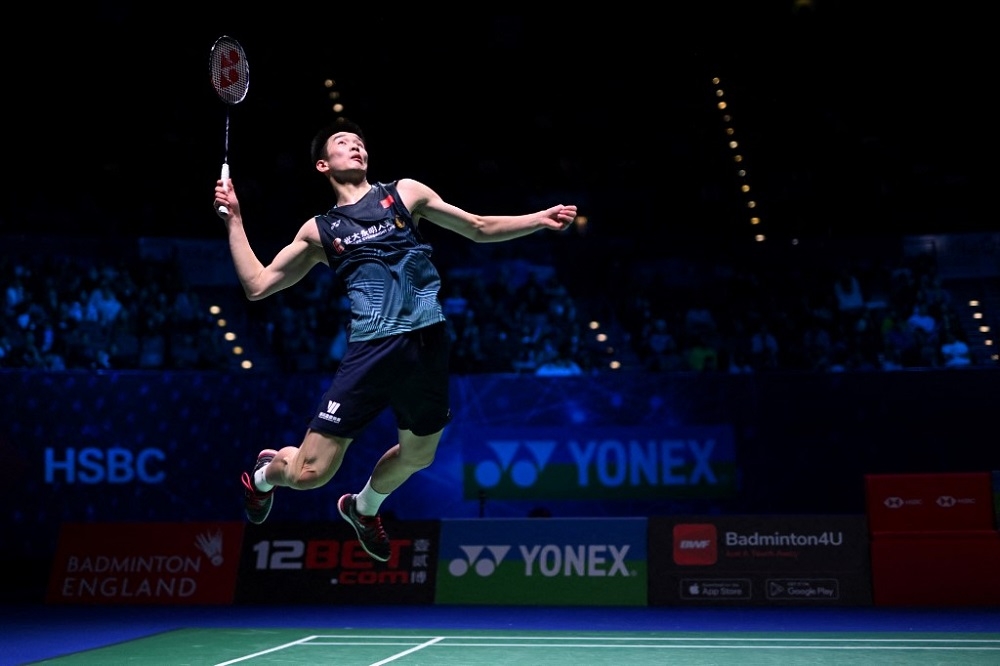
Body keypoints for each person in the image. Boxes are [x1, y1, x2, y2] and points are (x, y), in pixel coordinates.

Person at [213, 119, 577, 561]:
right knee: (310, 474)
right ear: (324, 165)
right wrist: (235, 219)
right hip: (372, 352)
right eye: (344, 143)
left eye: (360, 143)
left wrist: (538, 219)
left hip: (428, 346)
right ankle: (265, 476)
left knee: (419, 455)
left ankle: (363, 508)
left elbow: (478, 227)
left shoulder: (404, 194)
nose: (356, 147)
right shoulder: (320, 231)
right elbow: (257, 284)